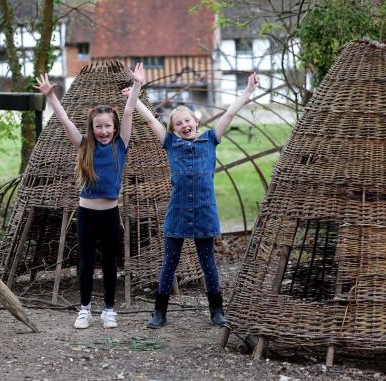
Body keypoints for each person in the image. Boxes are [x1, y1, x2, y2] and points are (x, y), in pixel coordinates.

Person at [126, 72, 259, 328]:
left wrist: (248, 91)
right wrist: (137, 89)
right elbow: (152, 121)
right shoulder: (170, 144)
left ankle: (216, 311)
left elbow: (229, 114)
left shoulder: (211, 139)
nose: (184, 125)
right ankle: (160, 312)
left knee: (208, 262)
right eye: (178, 123)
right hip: (177, 212)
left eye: (187, 120)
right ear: (173, 129)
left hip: (203, 211)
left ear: (196, 121)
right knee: (169, 263)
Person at [34, 63, 144, 329]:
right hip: (87, 215)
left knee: (109, 264)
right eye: (98, 127)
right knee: (84, 264)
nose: (103, 131)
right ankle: (84, 309)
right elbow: (64, 121)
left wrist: (137, 85)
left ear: (115, 128)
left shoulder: (121, 145)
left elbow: (129, 110)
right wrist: (50, 95)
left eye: (108, 126)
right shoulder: (84, 145)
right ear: (92, 127)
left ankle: (108, 310)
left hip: (110, 214)